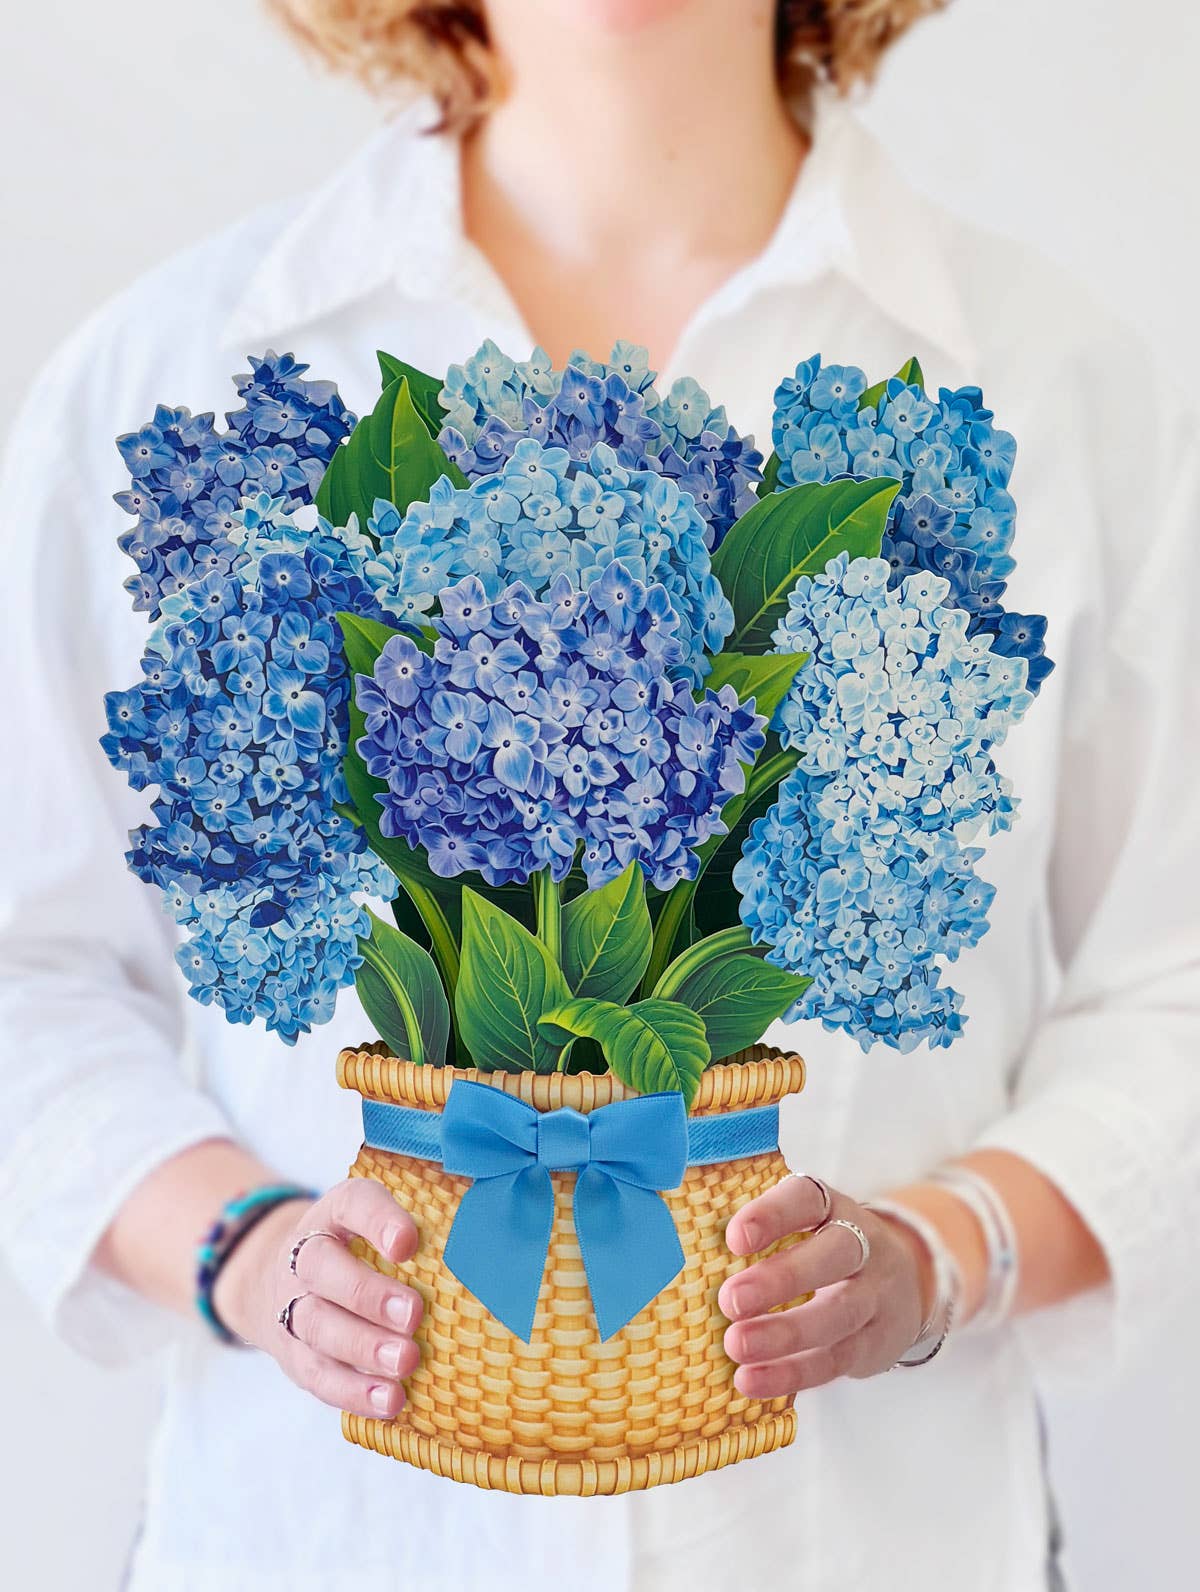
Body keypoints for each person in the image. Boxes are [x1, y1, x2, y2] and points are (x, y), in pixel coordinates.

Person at [0, 2, 1197, 1588]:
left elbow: (1174, 987)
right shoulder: (172, 371)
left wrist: (935, 1252)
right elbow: (30, 972)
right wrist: (244, 1249)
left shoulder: (1058, 387)